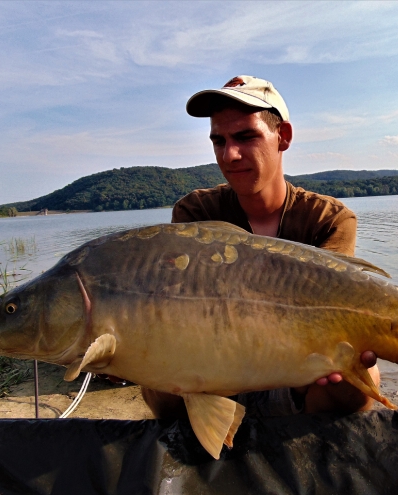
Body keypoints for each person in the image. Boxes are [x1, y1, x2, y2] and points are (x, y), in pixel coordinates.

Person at [141, 75, 379, 419]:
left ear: (283, 137)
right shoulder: (194, 213)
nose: (230, 154)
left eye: (245, 136)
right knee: (160, 388)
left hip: (302, 367)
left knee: (359, 382)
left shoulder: (330, 218)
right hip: (219, 365)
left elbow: (335, 317)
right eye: (218, 140)